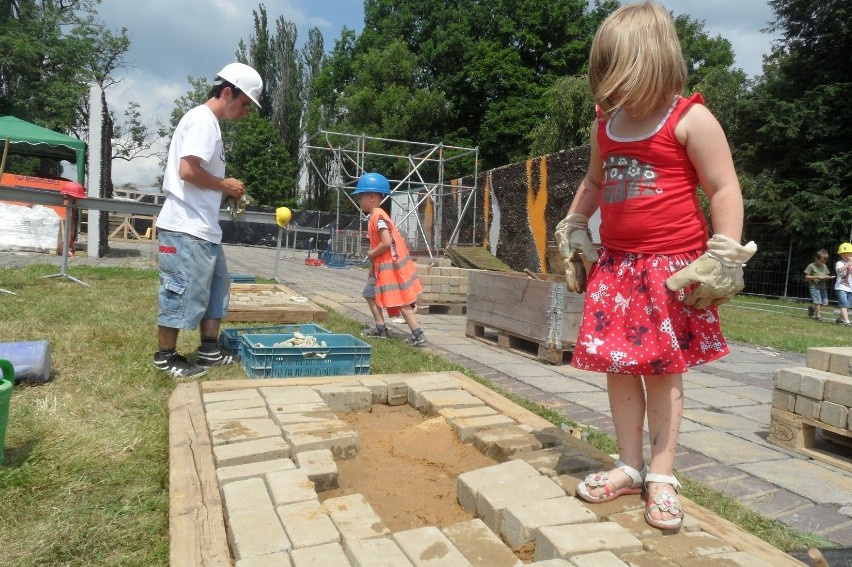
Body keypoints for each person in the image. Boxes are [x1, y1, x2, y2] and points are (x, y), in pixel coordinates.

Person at [553, 1, 756, 531]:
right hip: (617, 267)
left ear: (653, 64)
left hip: (672, 271)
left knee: (663, 372)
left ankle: (662, 474)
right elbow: (595, 184)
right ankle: (629, 465)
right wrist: (574, 223)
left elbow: (724, 187)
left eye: (620, 77)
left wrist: (725, 253)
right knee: (620, 366)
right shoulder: (606, 124)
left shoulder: (690, 118)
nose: (612, 91)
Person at [153, 62, 263, 378]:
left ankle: (209, 350)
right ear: (227, 92)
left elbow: (198, 173)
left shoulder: (209, 124)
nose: (246, 112)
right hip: (185, 226)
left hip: (203, 227)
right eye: (245, 104)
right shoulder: (203, 121)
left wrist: (224, 190)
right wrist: (224, 184)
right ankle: (166, 357)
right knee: (179, 289)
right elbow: (187, 171)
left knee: (216, 289)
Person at [354, 172, 426, 347]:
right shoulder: (375, 216)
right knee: (370, 294)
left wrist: (371, 254)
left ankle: (418, 334)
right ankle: (380, 328)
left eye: (360, 196)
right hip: (381, 268)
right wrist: (373, 266)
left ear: (371, 197)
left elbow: (386, 242)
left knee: (401, 300)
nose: (359, 201)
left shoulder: (378, 216)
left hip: (392, 269)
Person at [804, 249, 832, 320]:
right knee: (818, 302)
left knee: (824, 302)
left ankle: (812, 309)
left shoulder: (824, 266)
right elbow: (807, 277)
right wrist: (817, 277)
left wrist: (828, 277)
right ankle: (817, 316)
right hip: (814, 287)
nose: (823, 263)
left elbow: (827, 275)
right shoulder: (811, 266)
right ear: (816, 258)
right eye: (822, 261)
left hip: (823, 287)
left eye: (825, 261)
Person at [834, 243, 852, 326]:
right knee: (844, 304)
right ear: (840, 255)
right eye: (844, 253)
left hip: (850, 287)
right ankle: (846, 322)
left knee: (847, 306)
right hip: (841, 287)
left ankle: (840, 319)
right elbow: (840, 270)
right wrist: (849, 263)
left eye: (848, 253)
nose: (846, 255)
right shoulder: (839, 263)